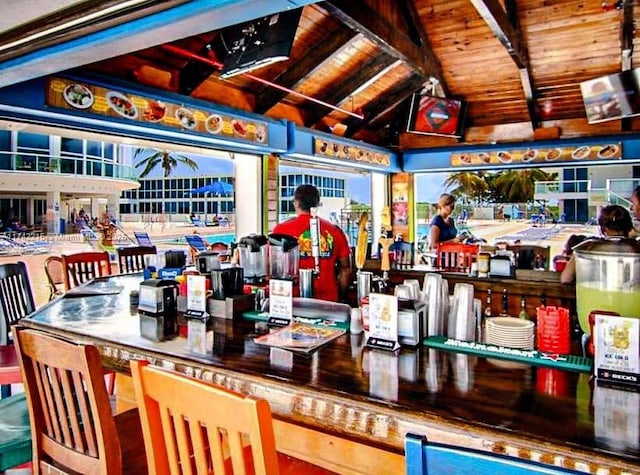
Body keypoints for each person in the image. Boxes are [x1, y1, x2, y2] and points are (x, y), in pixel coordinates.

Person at [272, 184, 351, 303]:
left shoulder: (280, 230)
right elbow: (345, 268)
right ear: (317, 204)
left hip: (290, 301)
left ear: (296, 203)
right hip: (328, 302)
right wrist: (342, 299)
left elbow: (271, 265)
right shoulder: (334, 231)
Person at [561, 205, 633, 283]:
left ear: (603, 228)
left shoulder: (587, 247)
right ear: (629, 227)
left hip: (594, 294)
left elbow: (566, 279)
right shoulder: (635, 248)